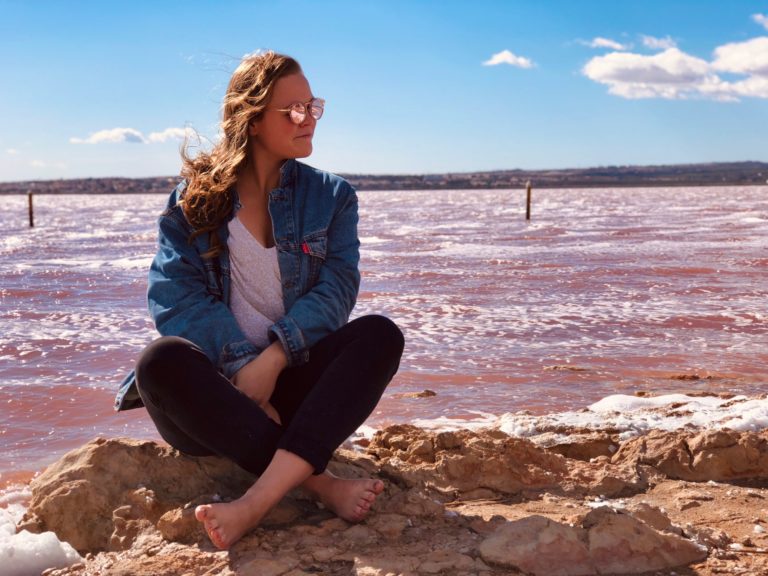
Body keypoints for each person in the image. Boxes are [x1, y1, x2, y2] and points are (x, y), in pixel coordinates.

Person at [114, 50, 404, 550]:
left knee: (380, 334)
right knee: (159, 362)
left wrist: (273, 359)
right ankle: (319, 484)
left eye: (313, 107)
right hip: (214, 402)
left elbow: (337, 290)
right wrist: (243, 370)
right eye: (293, 110)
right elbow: (174, 299)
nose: (308, 119)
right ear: (250, 120)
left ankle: (254, 502)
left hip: (293, 388)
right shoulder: (194, 200)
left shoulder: (333, 197)